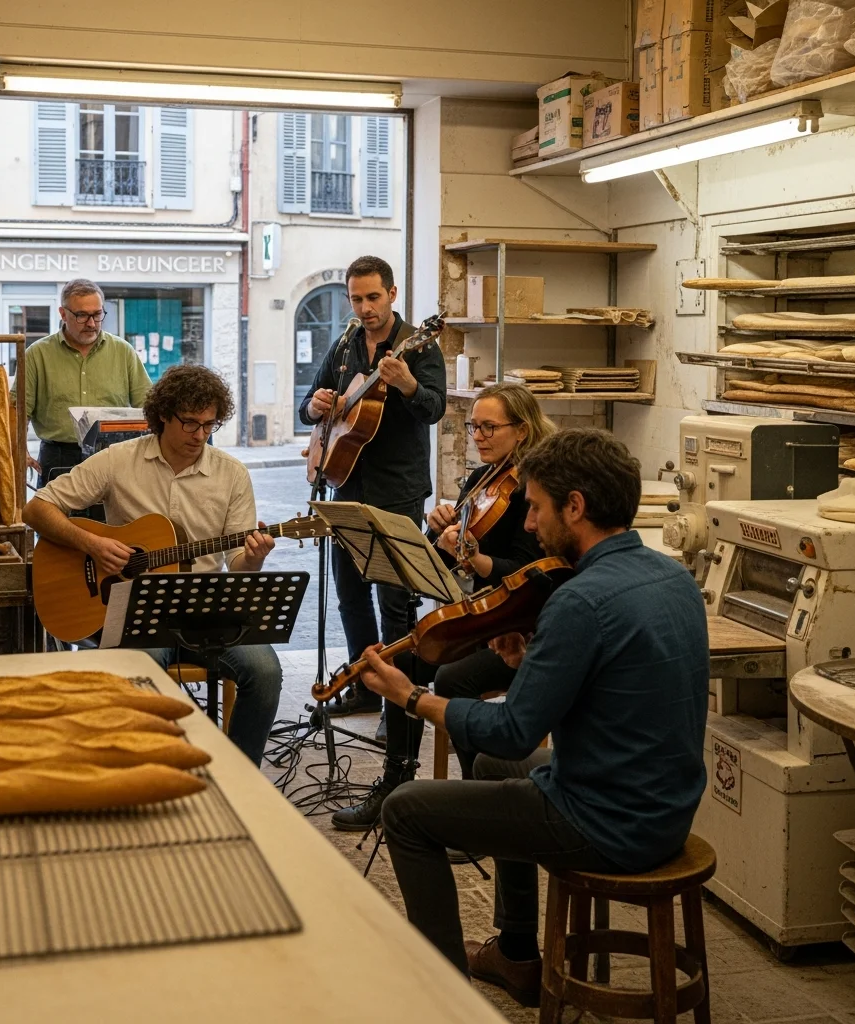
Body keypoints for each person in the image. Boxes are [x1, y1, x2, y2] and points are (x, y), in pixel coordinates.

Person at [357, 428, 709, 1004]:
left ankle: (445, 1000)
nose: (528, 524)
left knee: (406, 810)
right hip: (665, 804)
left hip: (607, 823)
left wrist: (410, 698)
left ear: (576, 507)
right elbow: (606, 694)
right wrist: (528, 664)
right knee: (495, 766)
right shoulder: (672, 576)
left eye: (537, 507)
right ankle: (517, 952)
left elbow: (515, 730)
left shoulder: (579, 598)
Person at [22, 365, 282, 768]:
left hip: (207, 606)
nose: (200, 435)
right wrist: (92, 544)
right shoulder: (119, 461)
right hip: (133, 607)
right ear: (163, 416)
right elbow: (37, 508)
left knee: (264, 672)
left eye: (209, 425)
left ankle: (239, 773)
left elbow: (238, 567)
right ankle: (148, 769)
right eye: (190, 423)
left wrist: (255, 556)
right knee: (144, 671)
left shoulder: (231, 475)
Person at [330, 383, 554, 831]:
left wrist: (476, 556)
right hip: (485, 618)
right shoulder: (482, 478)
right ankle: (396, 779)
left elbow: (534, 571)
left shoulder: (535, 488)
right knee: (404, 655)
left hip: (525, 628)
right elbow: (442, 560)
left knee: (452, 677)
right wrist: (438, 533)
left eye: (490, 427)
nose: (479, 436)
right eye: (474, 427)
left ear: (523, 430)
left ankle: (478, 805)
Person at [299, 255, 446, 718]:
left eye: (373, 297)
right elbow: (309, 403)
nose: (365, 308)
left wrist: (406, 386)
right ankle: (365, 685)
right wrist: (317, 406)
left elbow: (435, 409)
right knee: (349, 591)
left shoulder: (418, 348)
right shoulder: (344, 345)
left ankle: (398, 704)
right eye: (356, 299)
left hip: (397, 487)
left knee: (395, 597)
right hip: (345, 480)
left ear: (393, 294)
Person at [14, 278, 152, 488]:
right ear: (63, 313)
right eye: (81, 315)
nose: (91, 323)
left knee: (113, 521)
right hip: (59, 458)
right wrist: (19, 449)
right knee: (54, 520)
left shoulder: (123, 352)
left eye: (97, 315)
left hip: (114, 457)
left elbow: (148, 405)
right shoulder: (37, 355)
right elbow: (17, 411)